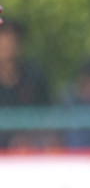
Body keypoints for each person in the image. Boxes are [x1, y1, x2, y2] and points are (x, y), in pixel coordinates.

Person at [0, 18, 53, 150]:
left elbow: (48, 116)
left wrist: (27, 138)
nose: (9, 47)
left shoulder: (34, 77)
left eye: (13, 40)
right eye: (4, 40)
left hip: (31, 145)